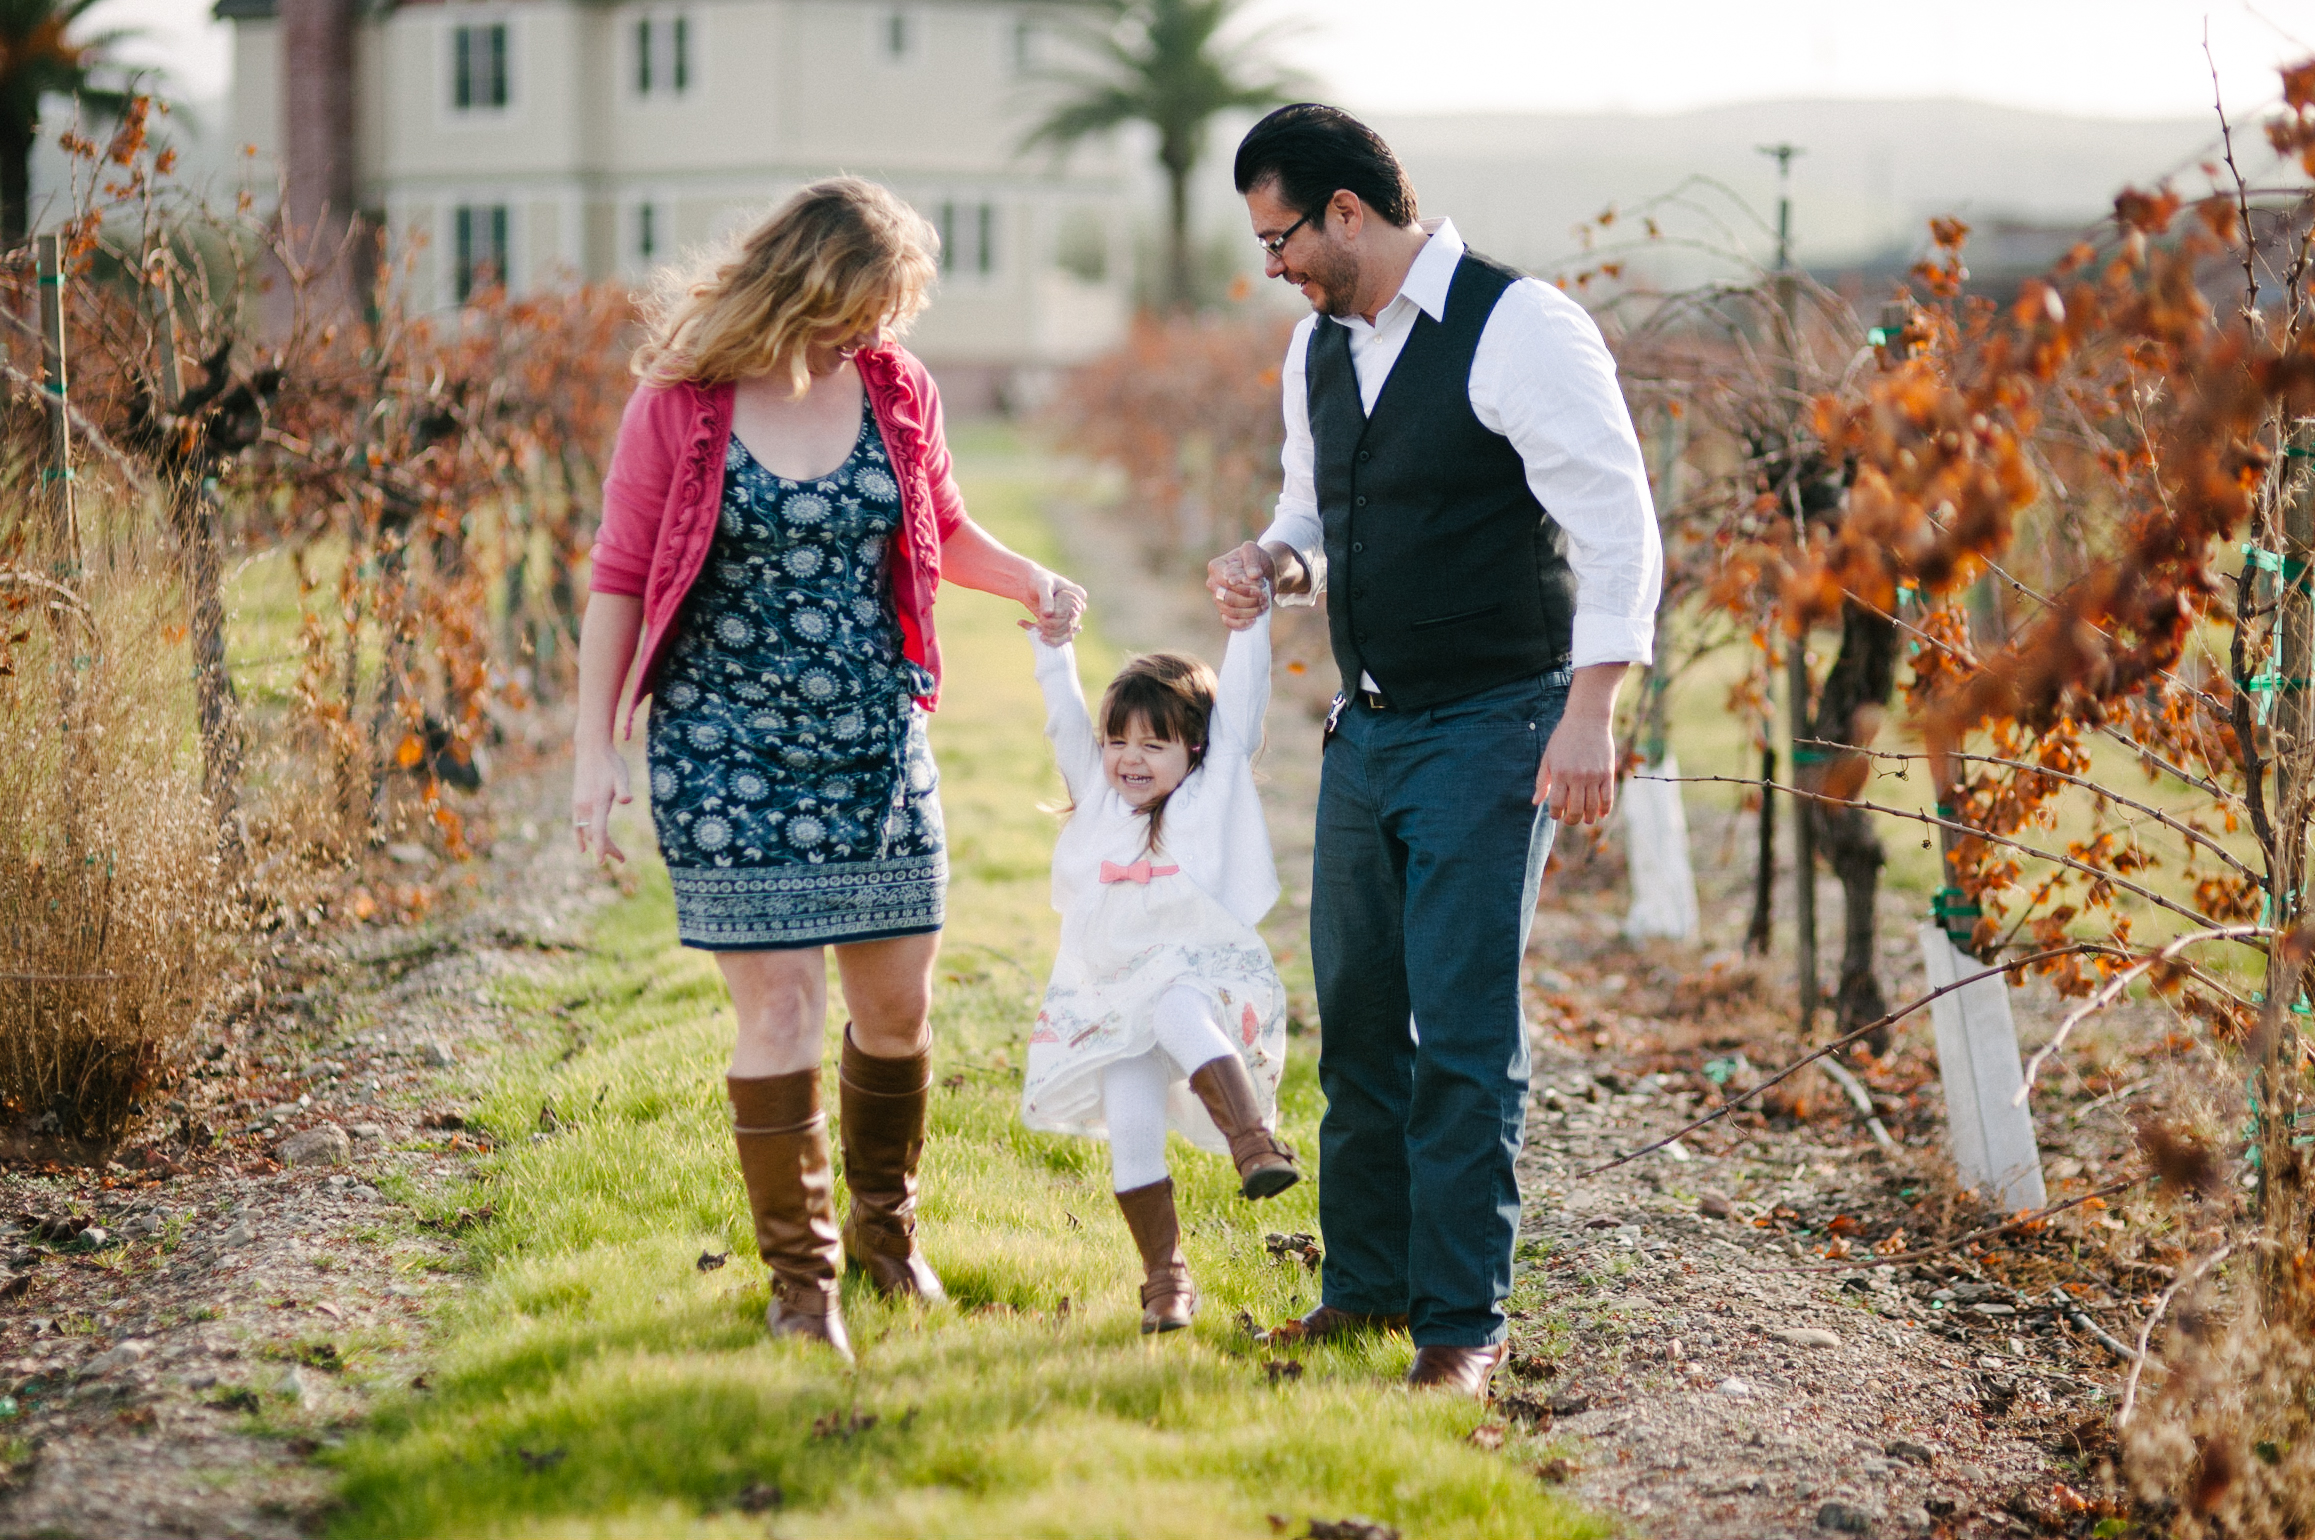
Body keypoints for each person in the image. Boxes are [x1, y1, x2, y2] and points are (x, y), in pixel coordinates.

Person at [572, 178, 1087, 1363]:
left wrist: (1032, 581)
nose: (885, 325)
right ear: (813, 283)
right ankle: (803, 1290)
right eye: (874, 300)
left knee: (896, 1009)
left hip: (874, 739)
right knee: (781, 1008)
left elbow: (940, 526)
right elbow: (618, 575)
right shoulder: (681, 402)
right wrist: (594, 749)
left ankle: (885, 1238)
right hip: (724, 745)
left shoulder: (896, 388)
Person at [1207, 105, 1662, 1398]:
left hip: (1493, 723)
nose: (1273, 266)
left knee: (1459, 1034)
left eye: (1280, 238)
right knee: (1356, 1023)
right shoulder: (1316, 345)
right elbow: (1315, 513)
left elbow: (1615, 526)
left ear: (1347, 211)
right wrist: (1273, 562)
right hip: (1367, 729)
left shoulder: (1518, 326)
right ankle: (1364, 1287)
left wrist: (1591, 709)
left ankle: (1460, 1324)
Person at [1021, 609, 1299, 1333]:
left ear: (1195, 747)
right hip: (1111, 996)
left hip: (1202, 976)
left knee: (1177, 1008)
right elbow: (1064, 722)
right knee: (1132, 1119)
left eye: (1153, 743)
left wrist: (1250, 621)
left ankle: (1253, 1145)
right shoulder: (1099, 801)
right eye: (1117, 741)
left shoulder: (1210, 795)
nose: (1130, 758)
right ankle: (1165, 1281)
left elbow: (1242, 708)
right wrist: (1053, 646)